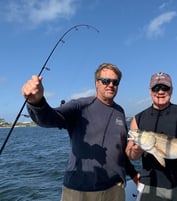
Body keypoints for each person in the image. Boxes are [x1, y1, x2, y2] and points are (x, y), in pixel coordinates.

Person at [21, 63, 138, 201]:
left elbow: (120, 150)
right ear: (96, 83)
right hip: (79, 191)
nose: (110, 85)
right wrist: (37, 102)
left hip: (115, 189)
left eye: (115, 81)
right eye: (105, 81)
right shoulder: (80, 105)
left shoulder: (120, 112)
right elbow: (50, 118)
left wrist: (134, 174)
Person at [125, 72, 177, 201]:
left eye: (165, 87)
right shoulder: (137, 119)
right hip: (150, 184)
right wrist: (135, 150)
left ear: (171, 90)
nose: (160, 92)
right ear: (150, 91)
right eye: (156, 88)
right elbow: (131, 156)